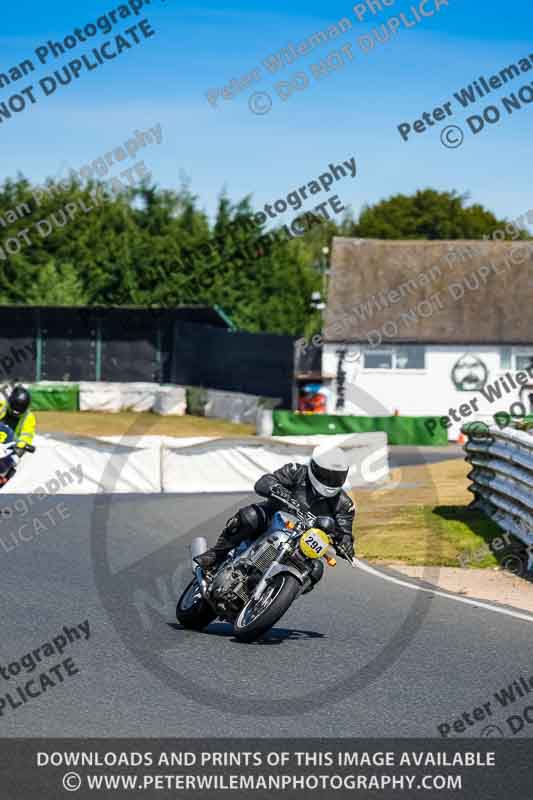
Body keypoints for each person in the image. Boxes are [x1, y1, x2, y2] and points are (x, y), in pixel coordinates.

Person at [195, 445, 356, 586]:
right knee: (249, 516)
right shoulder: (297, 472)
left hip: (302, 542)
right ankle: (215, 555)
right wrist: (278, 490)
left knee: (316, 570)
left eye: (336, 477)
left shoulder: (344, 504)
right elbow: (264, 482)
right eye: (326, 475)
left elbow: (345, 533)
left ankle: (277, 591)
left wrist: (346, 544)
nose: (331, 481)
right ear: (314, 467)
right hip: (272, 519)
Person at [0, 384, 36, 458]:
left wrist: (23, 443)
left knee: (14, 460)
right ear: (9, 401)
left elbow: (27, 434)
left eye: (20, 407)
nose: (16, 411)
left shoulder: (29, 417)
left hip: (10, 447)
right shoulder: (1, 406)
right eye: (15, 405)